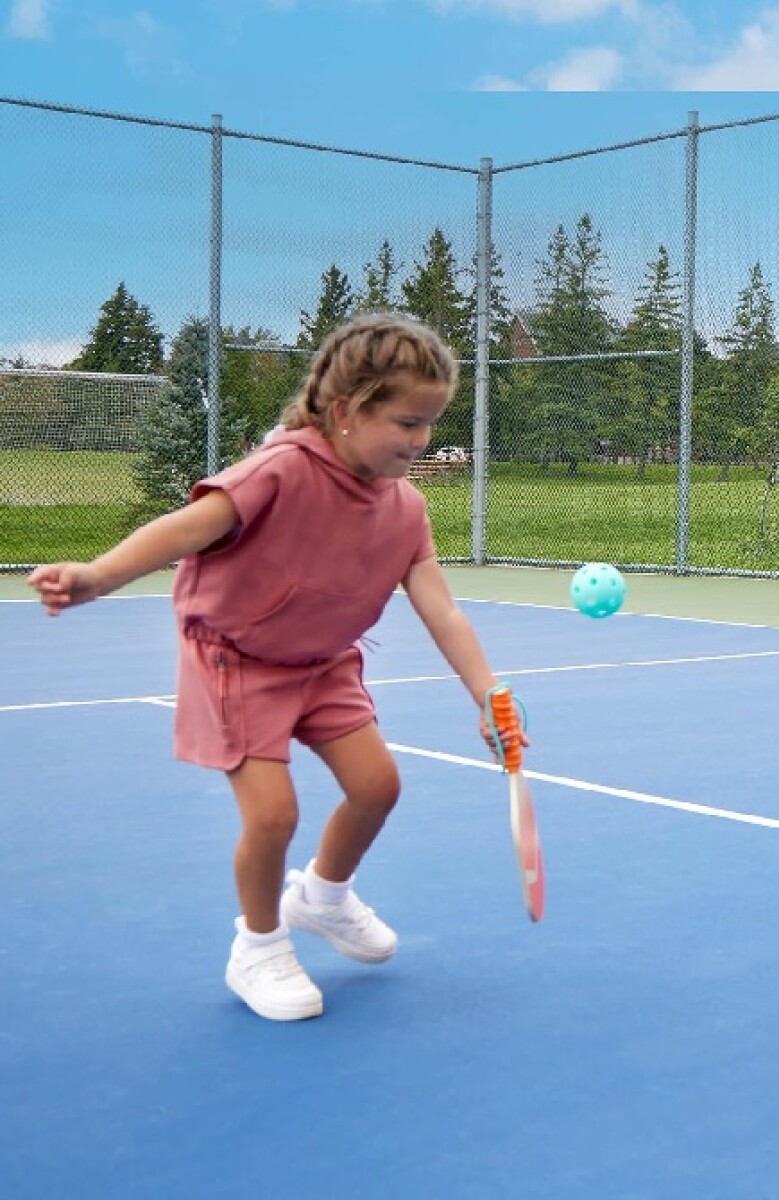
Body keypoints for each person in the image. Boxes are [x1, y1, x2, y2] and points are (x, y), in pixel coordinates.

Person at [28, 312, 519, 1021]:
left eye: (429, 424)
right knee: (272, 814)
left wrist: (488, 693)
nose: (422, 441)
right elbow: (188, 528)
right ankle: (257, 945)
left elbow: (441, 609)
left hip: (323, 663)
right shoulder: (280, 470)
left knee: (378, 786)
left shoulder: (406, 509)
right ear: (347, 411)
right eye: (408, 423)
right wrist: (98, 577)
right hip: (236, 661)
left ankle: (323, 897)